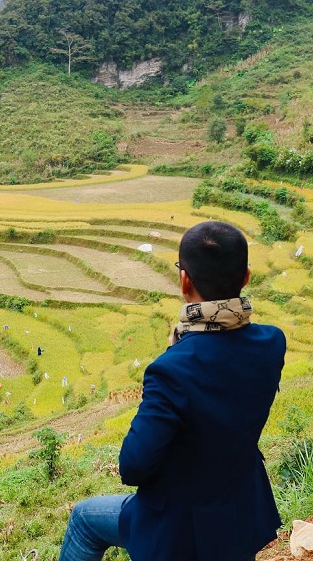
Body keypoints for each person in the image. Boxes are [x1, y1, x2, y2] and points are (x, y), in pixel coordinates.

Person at [59, 221, 286, 561]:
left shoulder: (173, 368)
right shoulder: (272, 343)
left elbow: (132, 467)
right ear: (246, 276)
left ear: (184, 280)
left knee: (83, 519)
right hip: (242, 509)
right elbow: (223, 382)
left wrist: (174, 353)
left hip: (181, 526)